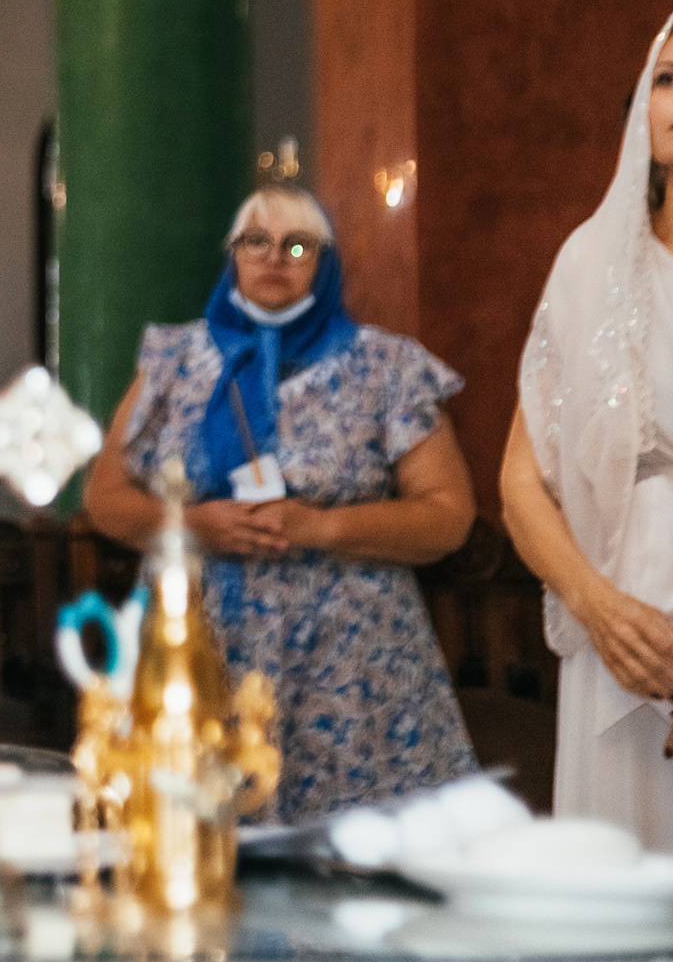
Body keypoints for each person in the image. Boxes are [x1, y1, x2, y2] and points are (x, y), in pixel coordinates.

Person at [83, 184, 479, 823]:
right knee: (191, 847)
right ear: (233, 255)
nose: (274, 259)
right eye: (255, 242)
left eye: (298, 246)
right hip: (200, 643)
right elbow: (106, 499)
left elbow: (447, 515)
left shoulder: (388, 367)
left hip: (350, 658)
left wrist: (322, 525)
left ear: (326, 264)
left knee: (359, 861)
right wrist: (194, 524)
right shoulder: (175, 363)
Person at [501, 0, 673, 848]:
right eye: (667, 78)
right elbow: (522, 481)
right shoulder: (590, 263)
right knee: (633, 899)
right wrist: (596, 609)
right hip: (630, 629)